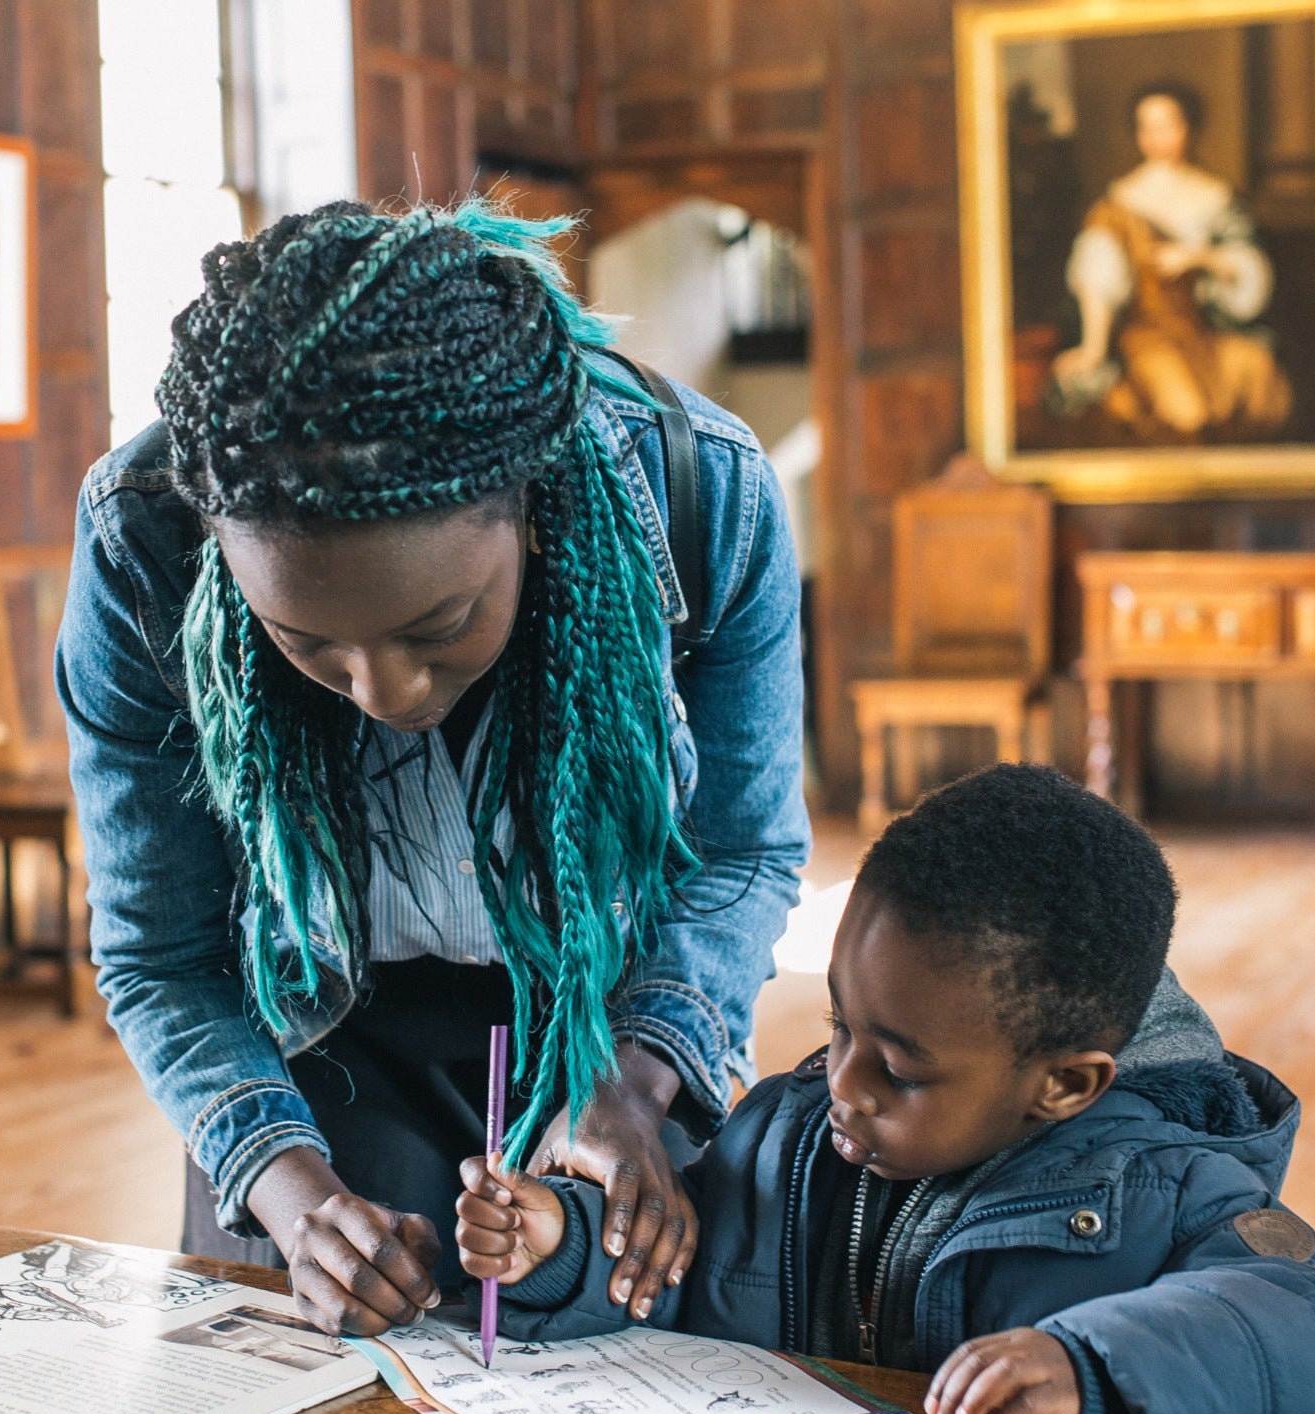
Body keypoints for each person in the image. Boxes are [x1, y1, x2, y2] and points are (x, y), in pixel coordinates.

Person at [57, 198, 811, 1337]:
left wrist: (636, 1079)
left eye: (438, 624)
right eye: (307, 643)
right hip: (305, 1048)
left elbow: (743, 851)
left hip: (607, 1024)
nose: (385, 694)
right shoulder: (143, 541)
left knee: (613, 1387)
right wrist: (292, 1195)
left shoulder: (702, 492)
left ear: (533, 506)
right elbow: (159, 951)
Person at [456, 766, 1315, 1414]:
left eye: (898, 1069)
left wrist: (1089, 1371)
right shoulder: (789, 1136)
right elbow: (680, 1267)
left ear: (1062, 1084)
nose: (842, 1086)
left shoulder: (1163, 1189)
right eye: (837, 1028)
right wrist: (567, 1244)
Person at [1049, 82, 1292, 441]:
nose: (1157, 137)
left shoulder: (1216, 196)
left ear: (1188, 127)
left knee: (1259, 375)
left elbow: (1247, 268)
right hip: (1146, 336)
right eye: (1147, 127)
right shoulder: (1119, 204)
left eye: (1168, 125)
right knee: (1186, 413)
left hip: (1202, 333)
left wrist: (1198, 256)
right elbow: (1098, 276)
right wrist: (1094, 349)